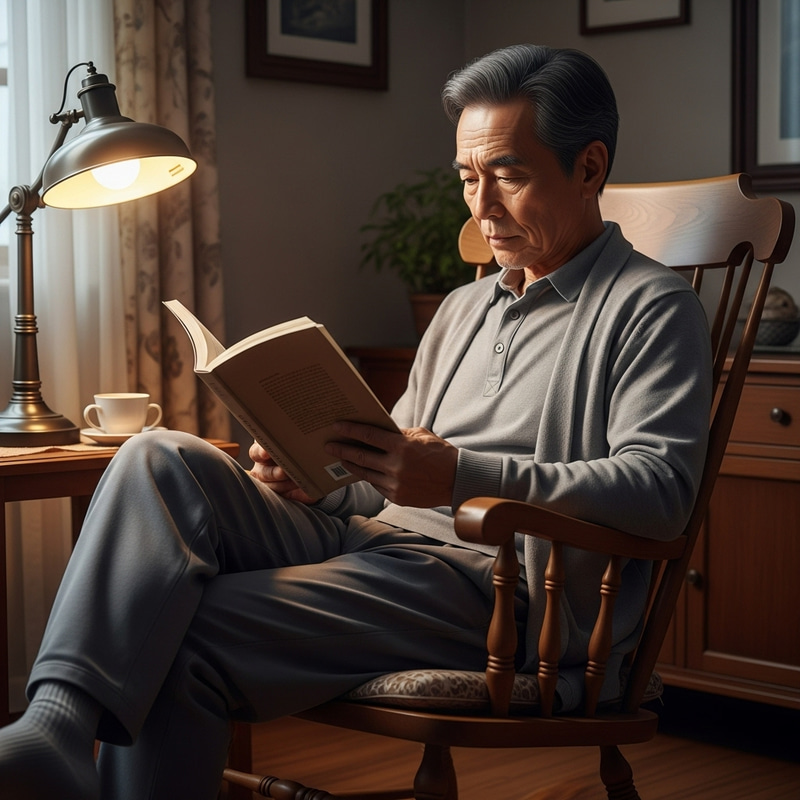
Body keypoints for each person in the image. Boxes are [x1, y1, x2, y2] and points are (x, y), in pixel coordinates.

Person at [0, 43, 712, 800]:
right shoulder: (466, 309)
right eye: (469, 179)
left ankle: (58, 745)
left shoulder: (652, 309)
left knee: (182, 633)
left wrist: (457, 476)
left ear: (590, 167)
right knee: (156, 455)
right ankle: (57, 727)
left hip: (499, 585)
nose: (482, 207)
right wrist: (315, 479)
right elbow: (383, 482)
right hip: (380, 542)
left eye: (508, 174)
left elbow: (659, 489)